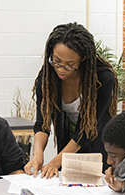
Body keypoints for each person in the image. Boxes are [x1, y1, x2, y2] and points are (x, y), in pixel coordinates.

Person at [24, 22, 118, 178]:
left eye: (69, 65)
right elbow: (42, 124)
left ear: (83, 58)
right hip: (68, 145)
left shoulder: (102, 79)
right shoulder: (48, 80)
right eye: (56, 61)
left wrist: (55, 162)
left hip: (98, 146)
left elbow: (86, 131)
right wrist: (37, 154)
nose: (61, 69)